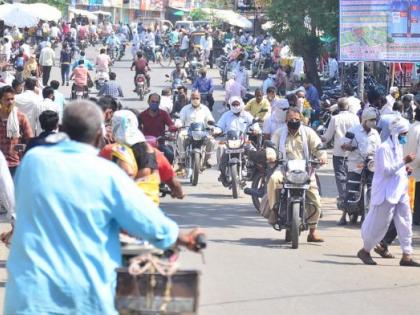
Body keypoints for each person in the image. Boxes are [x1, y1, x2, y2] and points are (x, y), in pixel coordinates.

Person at [4, 100, 202, 314]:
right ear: (100, 135)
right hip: (85, 300)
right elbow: (146, 221)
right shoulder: (109, 172)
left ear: (62, 129)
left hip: (27, 300)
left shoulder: (33, 161)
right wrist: (182, 237)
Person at [357, 117, 419, 266]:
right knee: (380, 225)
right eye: (403, 134)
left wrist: (405, 168)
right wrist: (404, 161)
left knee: (405, 222)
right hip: (387, 193)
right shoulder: (384, 148)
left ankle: (407, 255)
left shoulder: (399, 147)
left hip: (400, 190)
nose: (405, 136)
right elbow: (386, 171)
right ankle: (365, 251)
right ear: (397, 133)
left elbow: (396, 168)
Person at [266, 107, 327, 241]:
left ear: (301, 120)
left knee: (315, 198)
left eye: (296, 119)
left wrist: (322, 156)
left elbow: (318, 147)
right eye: (291, 119)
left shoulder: (308, 132)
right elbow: (271, 147)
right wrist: (271, 156)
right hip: (284, 169)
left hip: (305, 170)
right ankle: (274, 211)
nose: (294, 121)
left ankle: (313, 231)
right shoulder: (278, 133)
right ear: (286, 120)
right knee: (273, 179)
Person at [340, 107, 381, 225]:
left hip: (371, 164)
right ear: (365, 120)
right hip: (356, 164)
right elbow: (344, 144)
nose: (374, 122)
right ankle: (343, 215)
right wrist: (349, 147)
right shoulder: (353, 130)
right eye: (372, 120)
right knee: (351, 190)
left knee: (373, 189)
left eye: (375, 120)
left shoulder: (375, 133)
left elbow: (379, 149)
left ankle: (368, 214)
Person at [321, 98, 360, 209]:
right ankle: (352, 197)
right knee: (352, 176)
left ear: (338, 107)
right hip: (353, 152)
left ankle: (344, 198)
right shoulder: (355, 118)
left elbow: (328, 136)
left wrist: (321, 139)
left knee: (341, 177)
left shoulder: (335, 118)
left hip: (339, 152)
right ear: (348, 107)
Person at [216, 96, 259, 185]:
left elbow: (254, 124)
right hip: (229, 143)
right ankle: (222, 173)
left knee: (255, 153)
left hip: (244, 142)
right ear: (230, 105)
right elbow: (219, 126)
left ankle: (257, 176)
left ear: (241, 104)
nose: (235, 106)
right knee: (220, 148)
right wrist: (217, 131)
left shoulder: (247, 115)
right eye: (233, 104)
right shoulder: (226, 115)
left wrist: (255, 130)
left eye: (237, 104)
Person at [0, 86, 33, 176]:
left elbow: (30, 140)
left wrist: (21, 147)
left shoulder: (21, 117)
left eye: (12, 99)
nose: (10, 102)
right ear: (1, 101)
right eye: (7, 99)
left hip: (15, 163)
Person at [178, 91, 215, 168]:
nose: (195, 100)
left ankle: (207, 160)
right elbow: (181, 119)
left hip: (202, 131)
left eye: (197, 98)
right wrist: (179, 124)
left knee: (212, 140)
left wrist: (212, 126)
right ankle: (182, 158)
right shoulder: (185, 109)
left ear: (200, 99)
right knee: (180, 136)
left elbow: (210, 119)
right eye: (193, 98)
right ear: (190, 99)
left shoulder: (205, 109)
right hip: (188, 131)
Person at [140, 93, 177, 164]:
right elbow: (137, 127)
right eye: (152, 101)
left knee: (170, 154)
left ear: (159, 103)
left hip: (160, 144)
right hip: (145, 145)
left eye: (156, 102)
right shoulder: (142, 115)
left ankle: (168, 174)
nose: (154, 103)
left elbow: (171, 125)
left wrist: (172, 128)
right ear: (148, 102)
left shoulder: (164, 114)